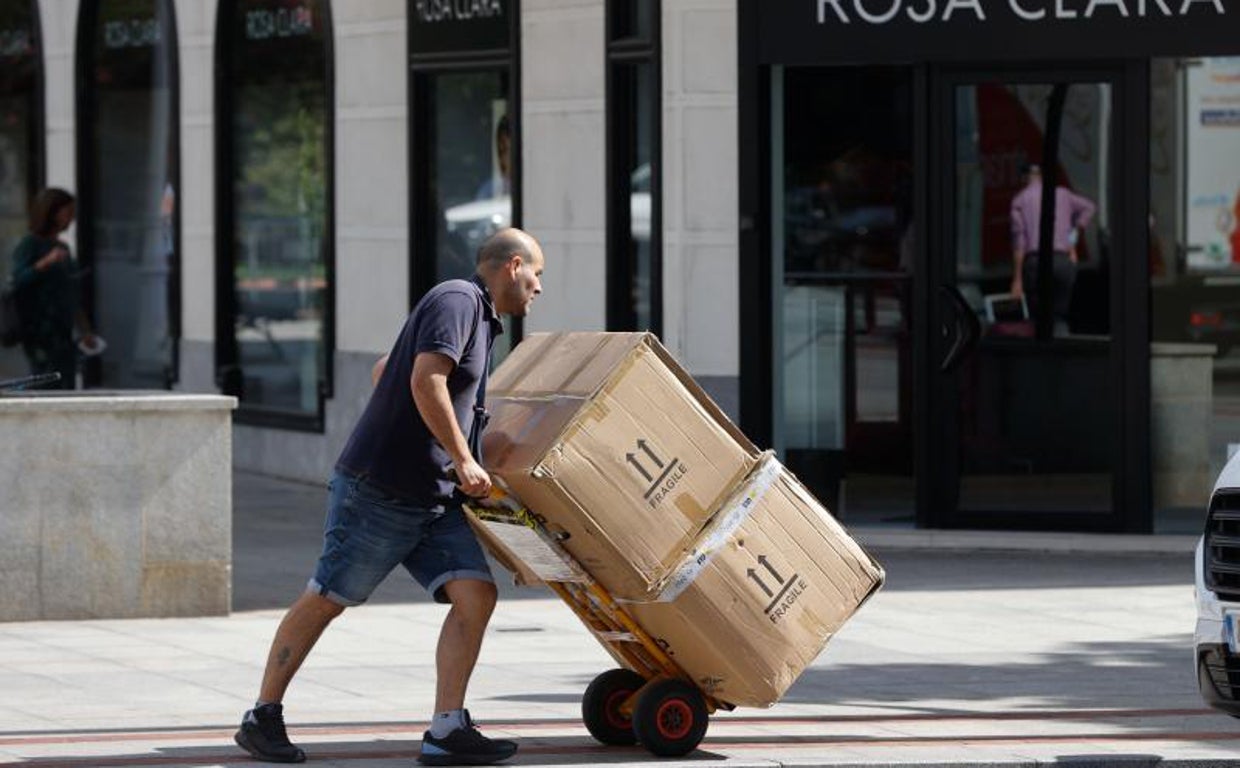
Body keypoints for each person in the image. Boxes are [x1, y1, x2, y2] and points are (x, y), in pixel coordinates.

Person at [234, 228, 546, 766]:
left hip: (432, 499)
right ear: (513, 265)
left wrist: (469, 445)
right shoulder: (458, 299)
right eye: (537, 276)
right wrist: (464, 457)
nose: (539, 289)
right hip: (379, 492)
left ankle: (446, 729)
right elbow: (426, 380)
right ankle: (262, 716)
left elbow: (389, 371)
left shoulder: (478, 318)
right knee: (328, 597)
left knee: (476, 595)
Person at [8, 188, 96, 389]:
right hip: (39, 331)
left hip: (63, 331)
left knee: (65, 380)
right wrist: (45, 263)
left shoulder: (63, 248)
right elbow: (18, 280)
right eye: (67, 213)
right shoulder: (30, 245)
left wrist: (84, 329)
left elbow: (71, 293)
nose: (71, 219)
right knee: (43, 381)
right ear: (52, 213)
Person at [1009, 163, 1096, 334]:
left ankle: (1041, 354)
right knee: (1060, 314)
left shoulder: (1019, 200)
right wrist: (1073, 235)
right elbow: (1089, 207)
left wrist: (1017, 279)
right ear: (1041, 176)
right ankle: (1061, 350)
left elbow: (1019, 244)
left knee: (1038, 315)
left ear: (1024, 178)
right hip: (1062, 260)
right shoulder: (1063, 194)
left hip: (1035, 261)